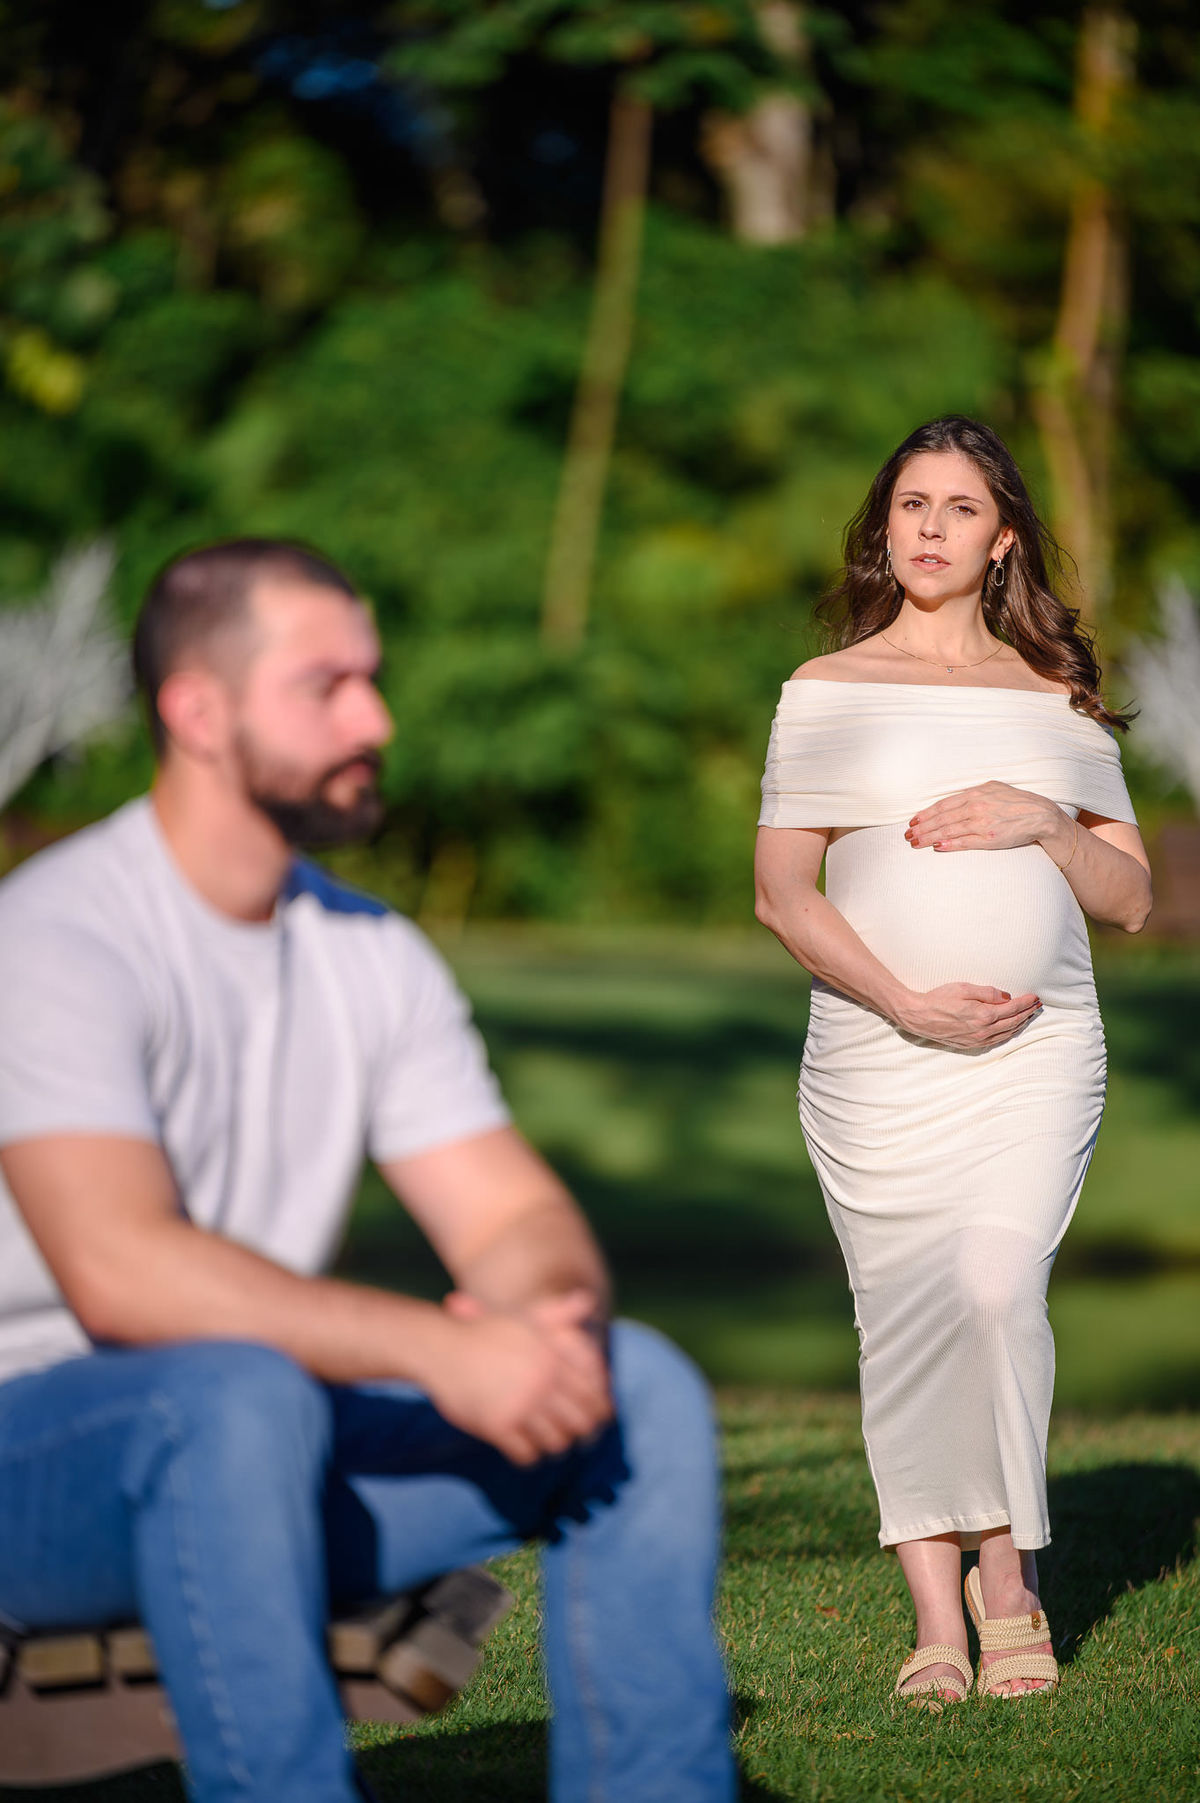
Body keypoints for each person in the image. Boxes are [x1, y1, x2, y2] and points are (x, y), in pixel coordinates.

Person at [0, 539, 735, 1803]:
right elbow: (120, 1274)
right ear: (198, 712)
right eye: (327, 686)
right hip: (43, 1466)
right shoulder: (60, 934)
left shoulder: (367, 951)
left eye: (372, 679)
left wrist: (536, 1326)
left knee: (641, 1387)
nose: (377, 720)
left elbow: (511, 1212)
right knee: (237, 1396)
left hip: (261, 1454)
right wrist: (439, 1350)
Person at [754, 416, 1152, 1704]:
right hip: (876, 1055)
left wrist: (1046, 821)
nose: (930, 526)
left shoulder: (1053, 701)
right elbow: (782, 896)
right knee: (907, 1316)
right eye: (911, 503)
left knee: (993, 1291)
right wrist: (905, 1003)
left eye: (961, 507)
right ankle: (938, 1617)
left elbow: (1131, 900)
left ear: (1003, 541)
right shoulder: (826, 688)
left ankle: (1010, 1582)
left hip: (1041, 1053)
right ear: (885, 528)